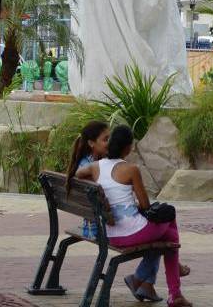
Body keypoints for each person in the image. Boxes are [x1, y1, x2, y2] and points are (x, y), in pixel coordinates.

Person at [76, 126, 191, 306]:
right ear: (128, 148)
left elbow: (77, 174)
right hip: (132, 233)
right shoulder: (131, 169)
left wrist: (100, 192)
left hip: (108, 234)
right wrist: (132, 205)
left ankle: (157, 283)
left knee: (169, 238)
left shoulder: (94, 167)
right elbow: (145, 206)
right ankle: (172, 290)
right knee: (169, 217)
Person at [65, 120, 111, 239]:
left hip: (90, 226)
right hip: (99, 229)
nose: (110, 143)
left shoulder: (85, 163)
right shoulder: (89, 168)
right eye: (106, 139)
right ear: (91, 143)